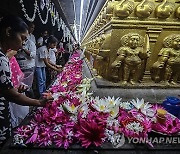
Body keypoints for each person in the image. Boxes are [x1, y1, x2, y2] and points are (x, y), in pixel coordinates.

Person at [0, 16, 51, 147]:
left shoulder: (3, 56)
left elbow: (5, 89)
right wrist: (39, 102)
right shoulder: (1, 59)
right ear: (8, 32)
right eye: (22, 38)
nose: (23, 43)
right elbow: (10, 95)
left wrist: (15, 88)